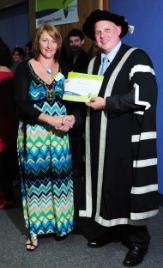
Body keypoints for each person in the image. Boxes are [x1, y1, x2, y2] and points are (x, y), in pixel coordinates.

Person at [80, 9, 159, 267]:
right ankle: (110, 230)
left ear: (118, 31)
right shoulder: (92, 64)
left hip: (124, 137)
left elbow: (144, 95)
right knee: (105, 185)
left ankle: (138, 241)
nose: (102, 36)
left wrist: (108, 103)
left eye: (107, 30)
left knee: (125, 186)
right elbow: (85, 101)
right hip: (98, 138)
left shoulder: (136, 57)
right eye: (97, 32)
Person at [14, 24, 79, 251]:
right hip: (35, 134)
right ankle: (35, 230)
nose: (49, 45)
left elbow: (74, 103)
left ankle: (61, 224)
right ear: (37, 42)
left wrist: (71, 118)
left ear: (58, 43)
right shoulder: (25, 68)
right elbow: (21, 105)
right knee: (36, 181)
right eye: (44, 40)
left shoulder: (66, 68)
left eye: (53, 40)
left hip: (60, 135)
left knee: (61, 178)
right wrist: (49, 119)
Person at [0, 38, 18, 209]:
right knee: (10, 159)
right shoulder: (13, 75)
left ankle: (7, 196)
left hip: (1, 125)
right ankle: (13, 194)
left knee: (2, 163)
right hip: (12, 123)